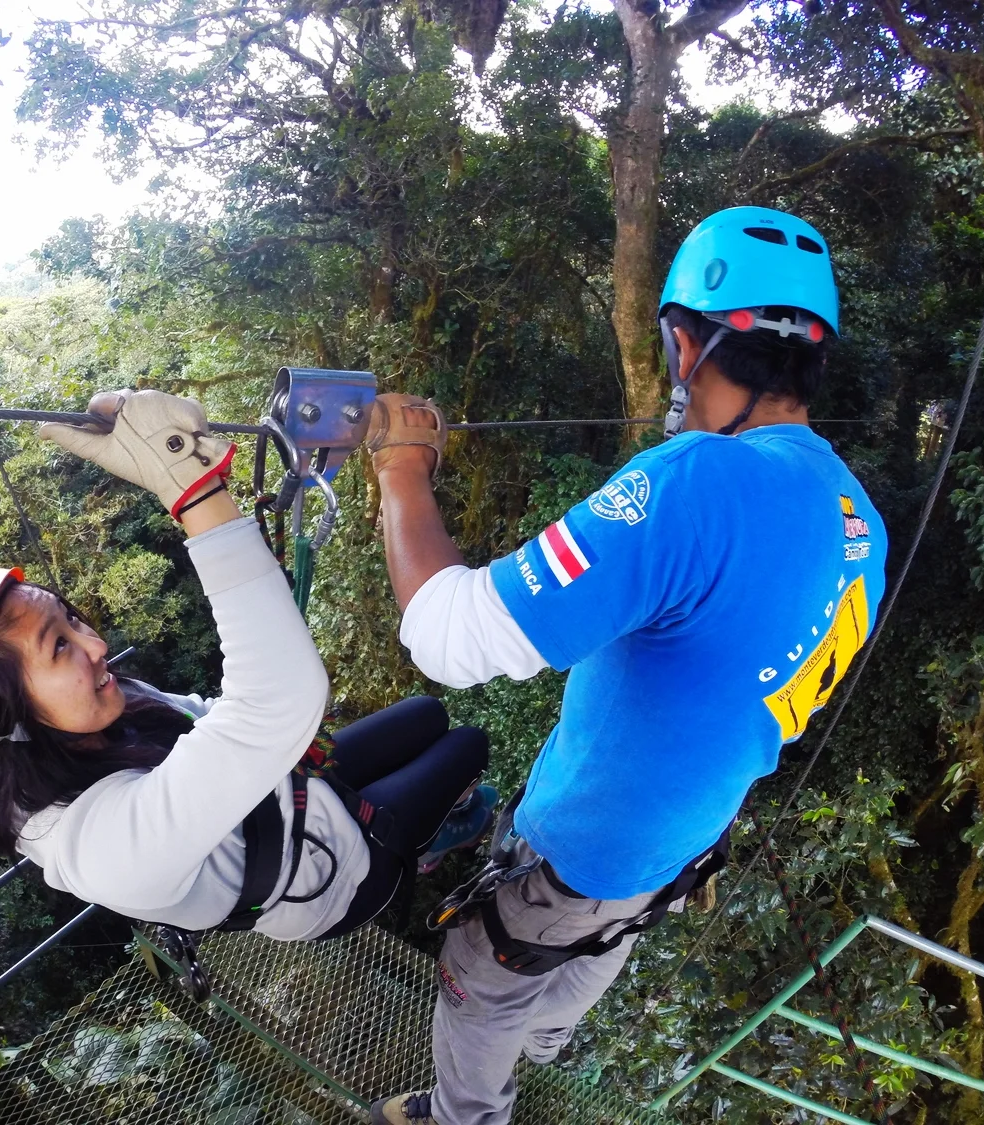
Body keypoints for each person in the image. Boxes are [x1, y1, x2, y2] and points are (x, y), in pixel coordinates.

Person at [366, 207, 890, 1124]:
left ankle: (467, 1115)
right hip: (676, 842)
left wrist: (402, 472)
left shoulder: (693, 480)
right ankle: (548, 1041)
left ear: (687, 343)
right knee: (599, 935)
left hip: (583, 839)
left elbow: (448, 636)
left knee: (476, 974)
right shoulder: (860, 521)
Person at [0, 388, 496, 943]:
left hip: (296, 795)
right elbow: (272, 705)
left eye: (70, 620)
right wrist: (194, 490)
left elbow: (217, 720)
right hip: (345, 876)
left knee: (428, 712)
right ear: (10, 720)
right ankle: (426, 844)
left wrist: (274, 735)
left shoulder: (91, 714)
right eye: (58, 646)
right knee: (469, 743)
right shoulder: (106, 851)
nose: (96, 647)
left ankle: (421, 814)